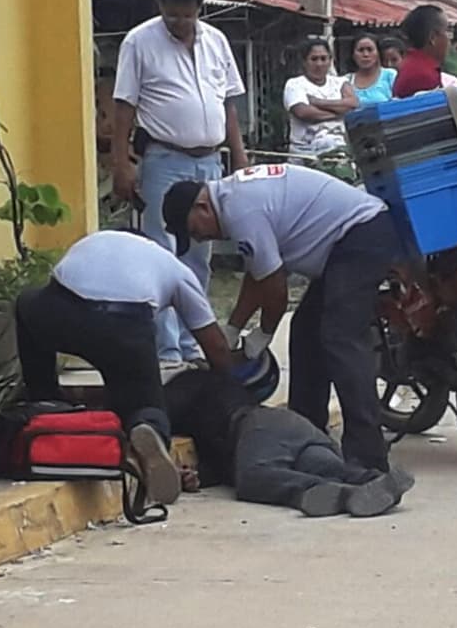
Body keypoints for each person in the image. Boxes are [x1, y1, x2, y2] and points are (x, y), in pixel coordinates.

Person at [163, 163, 402, 473]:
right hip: (345, 243)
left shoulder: (239, 211)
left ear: (202, 206)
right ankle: (307, 439)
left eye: (196, 231)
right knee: (305, 333)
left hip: (361, 233)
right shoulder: (232, 198)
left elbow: (275, 288)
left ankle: (368, 458)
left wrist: (261, 338)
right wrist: (233, 330)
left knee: (340, 337)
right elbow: (257, 274)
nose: (203, 239)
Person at [14, 230, 236, 508]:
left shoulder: (96, 239)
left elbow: (58, 282)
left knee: (26, 305)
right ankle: (149, 429)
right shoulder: (174, 269)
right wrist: (231, 385)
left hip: (61, 311)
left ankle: (45, 402)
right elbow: (215, 346)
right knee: (145, 402)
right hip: (125, 325)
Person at [111, 0, 248, 366]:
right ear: (161, 7)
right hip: (163, 158)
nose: (180, 23)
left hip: (210, 159)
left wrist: (239, 157)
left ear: (200, 9)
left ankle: (194, 343)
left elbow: (229, 104)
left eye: (187, 15)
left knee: (199, 255)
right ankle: (167, 350)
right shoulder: (139, 42)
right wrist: (122, 163)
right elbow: (124, 106)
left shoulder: (217, 41)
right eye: (172, 16)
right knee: (162, 252)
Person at [164, 371, 414, 517]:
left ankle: (335, 493)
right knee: (323, 465)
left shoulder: (183, 388)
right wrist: (197, 477)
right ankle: (373, 480)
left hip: (255, 426)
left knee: (254, 478)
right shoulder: (216, 382)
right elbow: (221, 463)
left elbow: (236, 458)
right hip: (297, 428)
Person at [283, 38, 358, 158]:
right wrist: (340, 113)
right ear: (304, 62)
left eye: (323, 58)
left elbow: (352, 103)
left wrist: (317, 102)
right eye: (314, 59)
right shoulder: (294, 84)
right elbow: (304, 112)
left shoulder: (340, 82)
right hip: (305, 153)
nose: (319, 64)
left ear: (330, 60)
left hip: (340, 152)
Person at [393, 5, 451, 99]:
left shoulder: (414, 65)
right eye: (447, 32)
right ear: (433, 38)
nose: (449, 40)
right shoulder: (422, 75)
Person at [347, 34, 397, 106]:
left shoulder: (390, 75)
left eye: (370, 50)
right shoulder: (346, 81)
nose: (366, 54)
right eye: (361, 50)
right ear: (353, 55)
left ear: (378, 53)